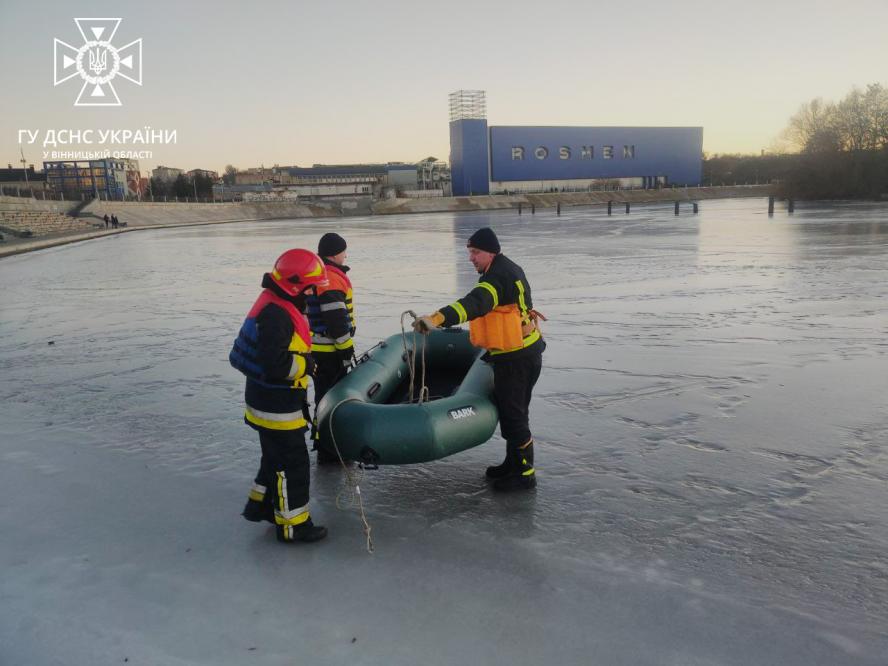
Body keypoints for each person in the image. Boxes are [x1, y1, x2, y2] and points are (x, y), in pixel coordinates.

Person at [414, 227, 545, 491]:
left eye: (475, 253)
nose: (471, 258)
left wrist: (437, 318)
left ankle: (524, 474)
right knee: (513, 411)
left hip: (516, 358)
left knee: (514, 414)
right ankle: (513, 463)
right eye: (470, 252)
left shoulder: (495, 278)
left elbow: (474, 303)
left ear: (491, 252)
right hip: (523, 352)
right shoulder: (507, 268)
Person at [229, 249, 329, 543]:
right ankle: (293, 526)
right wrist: (308, 365)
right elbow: (276, 365)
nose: (313, 294)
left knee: (274, 459)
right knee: (292, 464)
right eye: (311, 287)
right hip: (276, 406)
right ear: (296, 285)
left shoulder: (276, 304)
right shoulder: (276, 315)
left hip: (266, 402)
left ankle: (261, 506)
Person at [304, 232, 356, 463]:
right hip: (329, 353)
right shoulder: (332, 278)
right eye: (344, 251)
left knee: (323, 397)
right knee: (329, 399)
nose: (346, 256)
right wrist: (346, 348)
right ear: (335, 254)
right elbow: (336, 319)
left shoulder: (317, 276)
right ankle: (328, 448)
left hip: (317, 350)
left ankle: (324, 444)